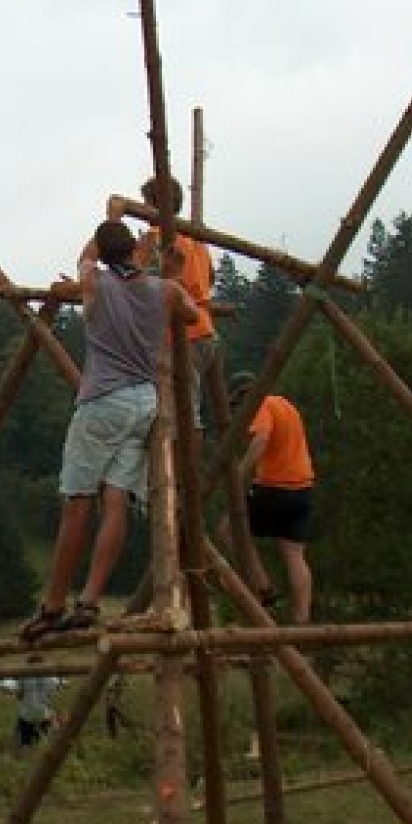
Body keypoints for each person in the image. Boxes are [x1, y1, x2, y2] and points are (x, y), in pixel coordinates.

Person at [21, 217, 199, 641]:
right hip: (145, 402)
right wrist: (167, 273)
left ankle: (52, 604)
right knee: (115, 500)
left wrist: (112, 218)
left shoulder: (95, 284)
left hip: (103, 400)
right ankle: (90, 600)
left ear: (104, 251)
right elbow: (191, 314)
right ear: (136, 253)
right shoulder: (164, 290)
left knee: (78, 502)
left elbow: (85, 256)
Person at [229, 372, 316, 624]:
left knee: (228, 530)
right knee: (294, 554)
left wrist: (239, 473)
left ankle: (263, 587)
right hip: (302, 487)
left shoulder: (260, 404)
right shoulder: (285, 404)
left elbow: (261, 438)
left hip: (274, 486)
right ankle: (302, 619)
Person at [138, 175, 218, 446]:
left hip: (183, 332)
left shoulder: (157, 236)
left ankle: (185, 478)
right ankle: (188, 477)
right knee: (190, 407)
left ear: (154, 203)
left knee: (181, 411)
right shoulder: (196, 240)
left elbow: (129, 273)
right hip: (205, 328)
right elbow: (211, 277)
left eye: (146, 204)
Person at [13, 674, 58, 748]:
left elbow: (19, 695)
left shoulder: (24, 678)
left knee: (24, 743)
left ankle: (25, 754)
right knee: (40, 743)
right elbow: (51, 698)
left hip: (27, 715)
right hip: (44, 715)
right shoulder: (50, 680)